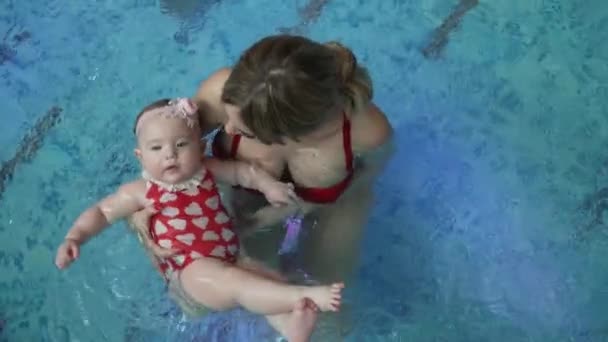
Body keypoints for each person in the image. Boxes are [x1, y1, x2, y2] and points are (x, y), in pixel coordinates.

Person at [54, 98, 344, 342]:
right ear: (140, 157)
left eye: (180, 144)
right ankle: (302, 295)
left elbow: (244, 173)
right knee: (237, 283)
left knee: (266, 280)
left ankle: (289, 326)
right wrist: (75, 237)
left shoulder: (206, 170)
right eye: (156, 148)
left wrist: (269, 186)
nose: (170, 154)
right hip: (190, 274)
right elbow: (103, 212)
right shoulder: (141, 192)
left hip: (230, 257)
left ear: (200, 147)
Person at [134, 34, 393, 285]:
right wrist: (142, 205)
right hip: (245, 198)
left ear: (290, 135)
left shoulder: (367, 133)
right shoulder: (219, 92)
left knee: (324, 284)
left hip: (334, 206)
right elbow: (164, 152)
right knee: (244, 274)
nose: (228, 130)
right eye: (227, 117)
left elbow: (363, 182)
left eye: (245, 132)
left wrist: (291, 210)